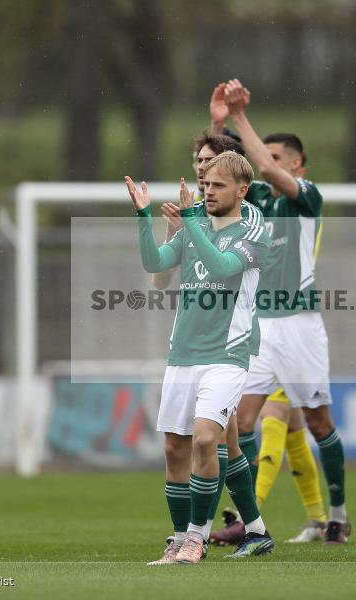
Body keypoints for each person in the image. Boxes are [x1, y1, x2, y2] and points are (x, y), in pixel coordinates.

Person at [219, 79, 351, 545]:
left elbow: (261, 170)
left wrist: (240, 118)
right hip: (258, 325)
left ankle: (337, 513)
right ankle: (249, 521)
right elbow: (221, 177)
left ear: (296, 164)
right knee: (240, 421)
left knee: (317, 422)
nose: (266, 166)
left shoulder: (306, 196)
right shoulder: (256, 202)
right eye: (264, 158)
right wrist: (218, 125)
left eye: (276, 160)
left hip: (298, 324)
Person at [128, 152, 274, 564]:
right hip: (183, 353)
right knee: (175, 448)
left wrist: (191, 219)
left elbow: (224, 265)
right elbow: (154, 263)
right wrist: (144, 217)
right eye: (205, 184)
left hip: (228, 353)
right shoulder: (196, 224)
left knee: (207, 439)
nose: (208, 191)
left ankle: (197, 538)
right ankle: (178, 540)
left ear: (241, 191)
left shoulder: (255, 225)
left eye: (218, 185)